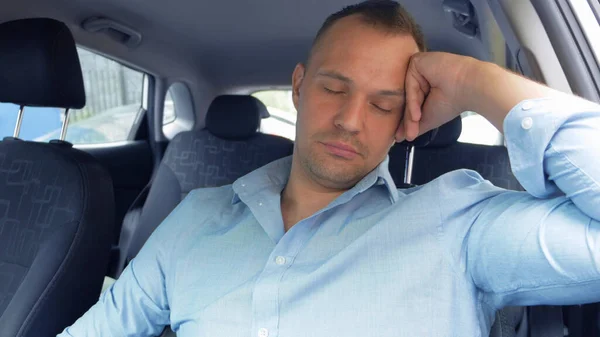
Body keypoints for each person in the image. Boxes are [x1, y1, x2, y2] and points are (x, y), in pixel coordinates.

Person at [59, 1, 600, 336]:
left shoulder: (460, 224)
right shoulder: (197, 217)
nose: (349, 120)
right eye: (334, 89)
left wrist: (474, 83)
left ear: (405, 120)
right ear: (298, 87)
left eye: (383, 104)